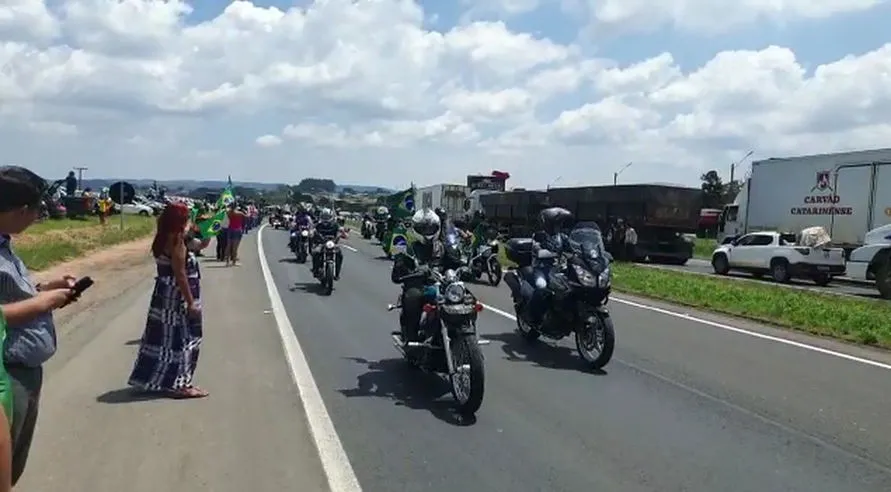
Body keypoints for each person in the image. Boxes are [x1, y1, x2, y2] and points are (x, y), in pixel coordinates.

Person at [0, 166, 81, 486]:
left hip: (24, 368)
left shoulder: (5, 244)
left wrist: (46, 288)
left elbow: (13, 292)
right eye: (36, 210)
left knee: (14, 458)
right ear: (21, 210)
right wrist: (44, 302)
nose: (37, 217)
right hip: (8, 373)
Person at [128, 203, 206, 399]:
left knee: (163, 339)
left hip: (164, 294)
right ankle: (181, 384)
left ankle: (159, 380)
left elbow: (200, 245)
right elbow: (180, 274)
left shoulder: (165, 236)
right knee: (183, 338)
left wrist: (206, 231)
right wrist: (190, 302)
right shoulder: (176, 241)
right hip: (176, 296)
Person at [390, 208, 444, 345]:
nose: (428, 232)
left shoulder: (442, 246)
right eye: (424, 229)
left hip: (442, 284)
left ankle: (466, 330)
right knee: (412, 297)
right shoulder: (408, 247)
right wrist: (401, 266)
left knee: (467, 299)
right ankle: (411, 335)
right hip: (418, 285)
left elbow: (456, 260)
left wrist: (466, 265)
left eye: (431, 228)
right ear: (416, 229)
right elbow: (397, 272)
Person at [525, 207, 578, 325]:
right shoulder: (538, 236)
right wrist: (550, 253)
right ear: (548, 223)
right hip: (541, 269)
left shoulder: (562, 237)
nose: (559, 226)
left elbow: (573, 248)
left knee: (573, 287)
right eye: (556, 223)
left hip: (559, 270)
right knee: (542, 287)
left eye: (560, 223)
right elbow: (537, 250)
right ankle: (532, 314)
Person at [310, 208, 343, 280]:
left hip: (332, 244)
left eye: (327, 217)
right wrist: (312, 233)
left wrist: (342, 233)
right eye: (324, 216)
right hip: (321, 243)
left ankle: (337, 273)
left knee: (339, 254)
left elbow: (340, 231)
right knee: (315, 252)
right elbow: (313, 230)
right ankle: (315, 270)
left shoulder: (335, 225)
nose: (326, 218)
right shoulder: (319, 225)